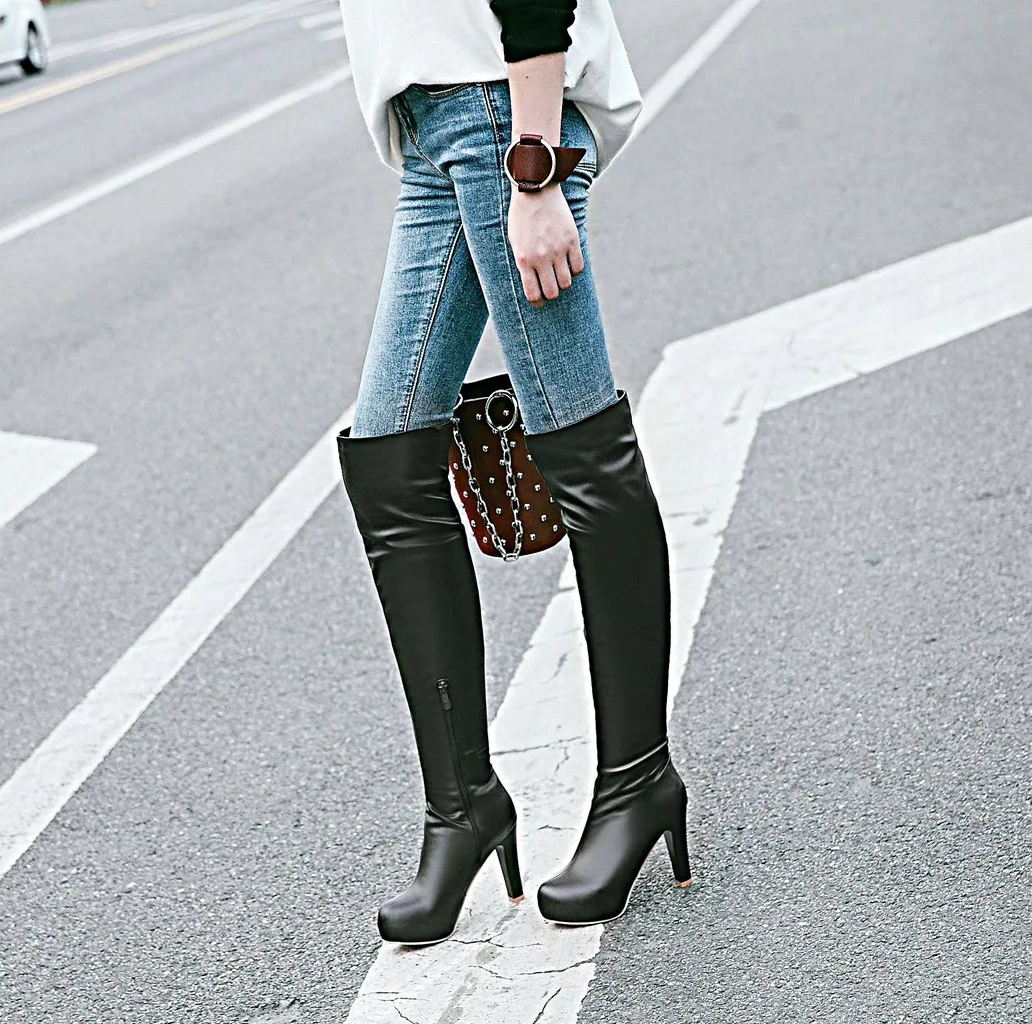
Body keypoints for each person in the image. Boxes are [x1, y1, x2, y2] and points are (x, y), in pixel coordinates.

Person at [335, 0, 691, 946]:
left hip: (501, 121)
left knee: (583, 449)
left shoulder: (518, 146)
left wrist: (532, 169)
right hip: (432, 134)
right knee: (389, 462)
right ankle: (462, 810)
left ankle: (638, 782)